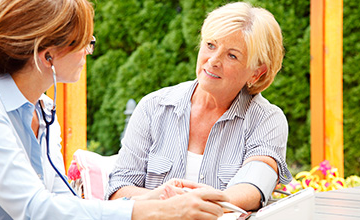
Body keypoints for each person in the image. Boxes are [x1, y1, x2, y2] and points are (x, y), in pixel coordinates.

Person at [0, 0, 229, 219]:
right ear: (48, 56)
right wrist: (158, 211)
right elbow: (35, 209)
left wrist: (155, 197)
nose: (89, 51)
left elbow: (60, 201)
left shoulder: (43, 110)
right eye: (85, 42)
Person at [107, 1, 293, 211]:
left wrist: (200, 204)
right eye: (210, 45)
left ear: (256, 73)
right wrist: (168, 203)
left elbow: (254, 186)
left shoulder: (267, 120)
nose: (213, 60)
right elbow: (118, 191)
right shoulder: (153, 107)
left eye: (232, 55)